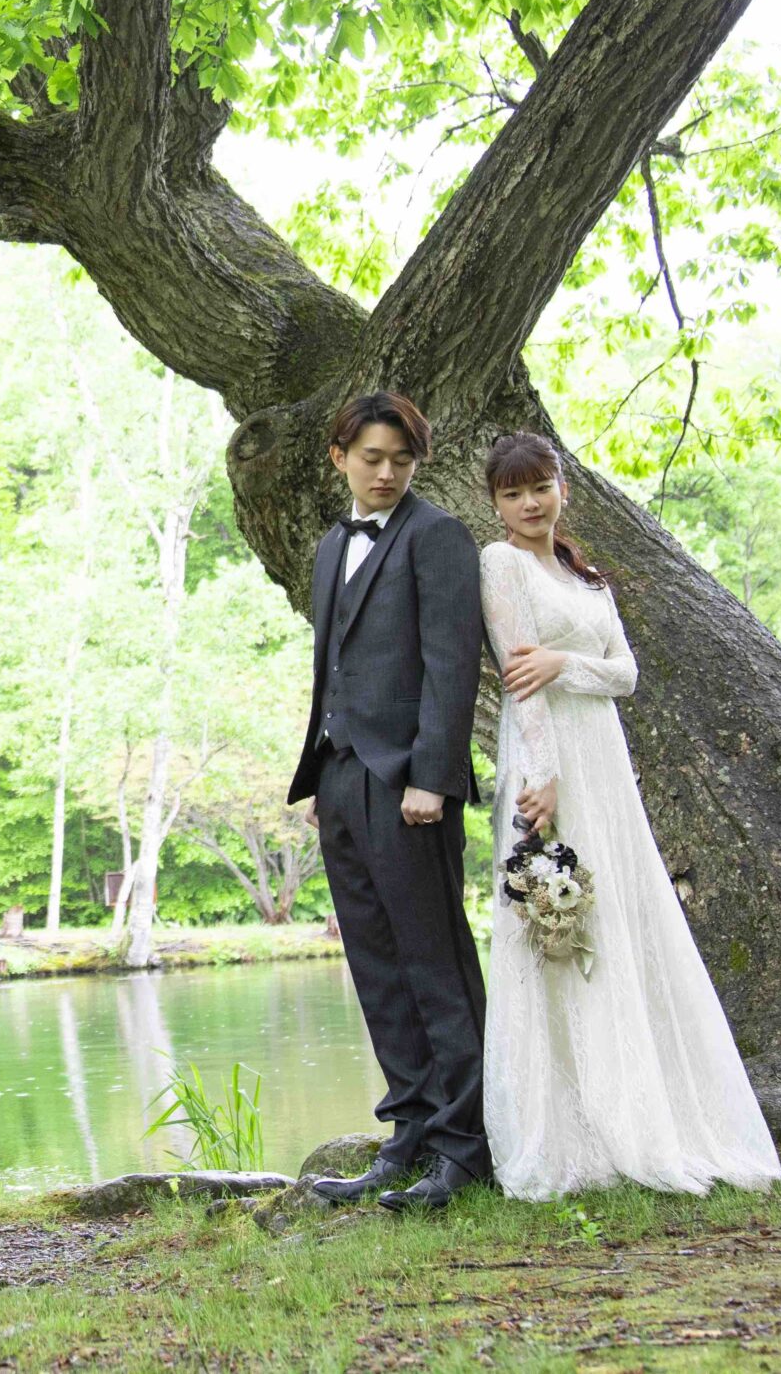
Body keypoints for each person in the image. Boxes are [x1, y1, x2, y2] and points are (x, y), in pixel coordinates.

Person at [477, 431, 781, 1200]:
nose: (530, 503)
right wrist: (540, 778)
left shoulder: (585, 575)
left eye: (540, 486)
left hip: (604, 765)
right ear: (497, 505)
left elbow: (626, 673)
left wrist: (565, 661)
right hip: (550, 761)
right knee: (556, 925)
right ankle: (569, 1130)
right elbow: (521, 677)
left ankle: (646, 1113)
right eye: (514, 493)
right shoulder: (501, 564)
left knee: (619, 920)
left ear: (562, 487)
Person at [290, 392, 491, 1212]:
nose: (385, 473)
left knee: (434, 966)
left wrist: (432, 778)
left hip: (412, 784)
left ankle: (464, 1145)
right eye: (371, 457)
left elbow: (452, 666)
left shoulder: (439, 538)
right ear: (339, 456)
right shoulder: (328, 547)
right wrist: (324, 772)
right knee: (376, 967)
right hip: (339, 779)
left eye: (401, 461)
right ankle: (407, 1132)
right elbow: (334, 665)